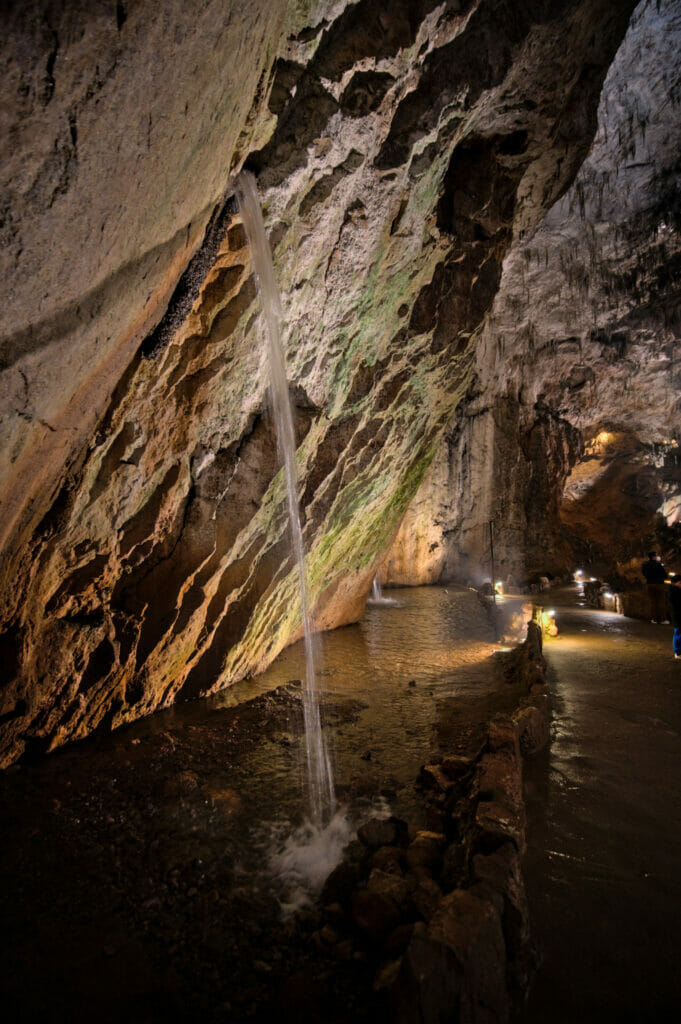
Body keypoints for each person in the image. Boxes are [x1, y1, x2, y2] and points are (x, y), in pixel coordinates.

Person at [642, 551, 667, 623]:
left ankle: (654, 619)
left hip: (650, 583)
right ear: (653, 557)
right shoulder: (659, 564)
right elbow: (664, 574)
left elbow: (643, 573)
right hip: (659, 584)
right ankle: (662, 619)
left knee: (653, 602)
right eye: (656, 556)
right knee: (661, 602)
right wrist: (663, 578)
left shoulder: (645, 565)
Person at [668, 577, 681, 660]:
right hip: (678, 616)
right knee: (679, 634)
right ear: (674, 583)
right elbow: (675, 606)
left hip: (678, 615)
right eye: (680, 583)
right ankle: (678, 652)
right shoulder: (673, 592)